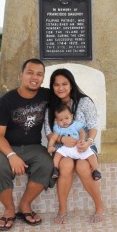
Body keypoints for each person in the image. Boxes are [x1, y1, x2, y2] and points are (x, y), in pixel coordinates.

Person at [0, 58, 53, 231]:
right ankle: (9, 210)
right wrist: (11, 155)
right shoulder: (5, 102)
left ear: (43, 78)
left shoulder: (47, 95)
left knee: (46, 164)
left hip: (33, 147)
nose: (34, 77)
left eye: (39, 74)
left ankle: (25, 205)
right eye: (30, 72)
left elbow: (69, 98)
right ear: (21, 75)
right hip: (7, 147)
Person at [45, 68, 105, 224]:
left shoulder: (84, 102)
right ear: (52, 87)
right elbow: (48, 132)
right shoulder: (51, 106)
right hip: (63, 149)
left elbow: (92, 126)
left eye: (64, 84)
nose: (60, 88)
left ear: (71, 84)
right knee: (65, 167)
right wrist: (62, 139)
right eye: (56, 84)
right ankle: (62, 209)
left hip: (84, 146)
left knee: (83, 168)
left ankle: (99, 206)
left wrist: (88, 142)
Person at [47, 102, 101, 181]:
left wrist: (82, 140)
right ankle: (55, 169)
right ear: (56, 120)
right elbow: (53, 138)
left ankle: (95, 170)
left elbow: (82, 132)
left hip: (78, 147)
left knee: (91, 155)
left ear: (72, 116)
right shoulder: (58, 128)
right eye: (61, 120)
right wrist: (50, 146)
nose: (64, 121)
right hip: (67, 148)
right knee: (58, 154)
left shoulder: (76, 124)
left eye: (66, 118)